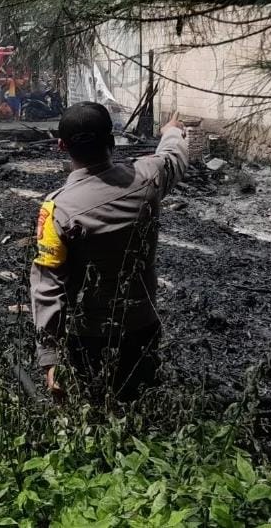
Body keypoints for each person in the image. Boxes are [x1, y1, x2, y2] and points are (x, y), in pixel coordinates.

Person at [31, 104, 188, 404]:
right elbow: (173, 157)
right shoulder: (147, 178)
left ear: (61, 145)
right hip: (143, 324)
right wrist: (172, 132)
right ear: (112, 140)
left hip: (87, 336)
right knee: (140, 407)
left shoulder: (58, 209)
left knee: (89, 413)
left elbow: (47, 286)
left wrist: (50, 359)